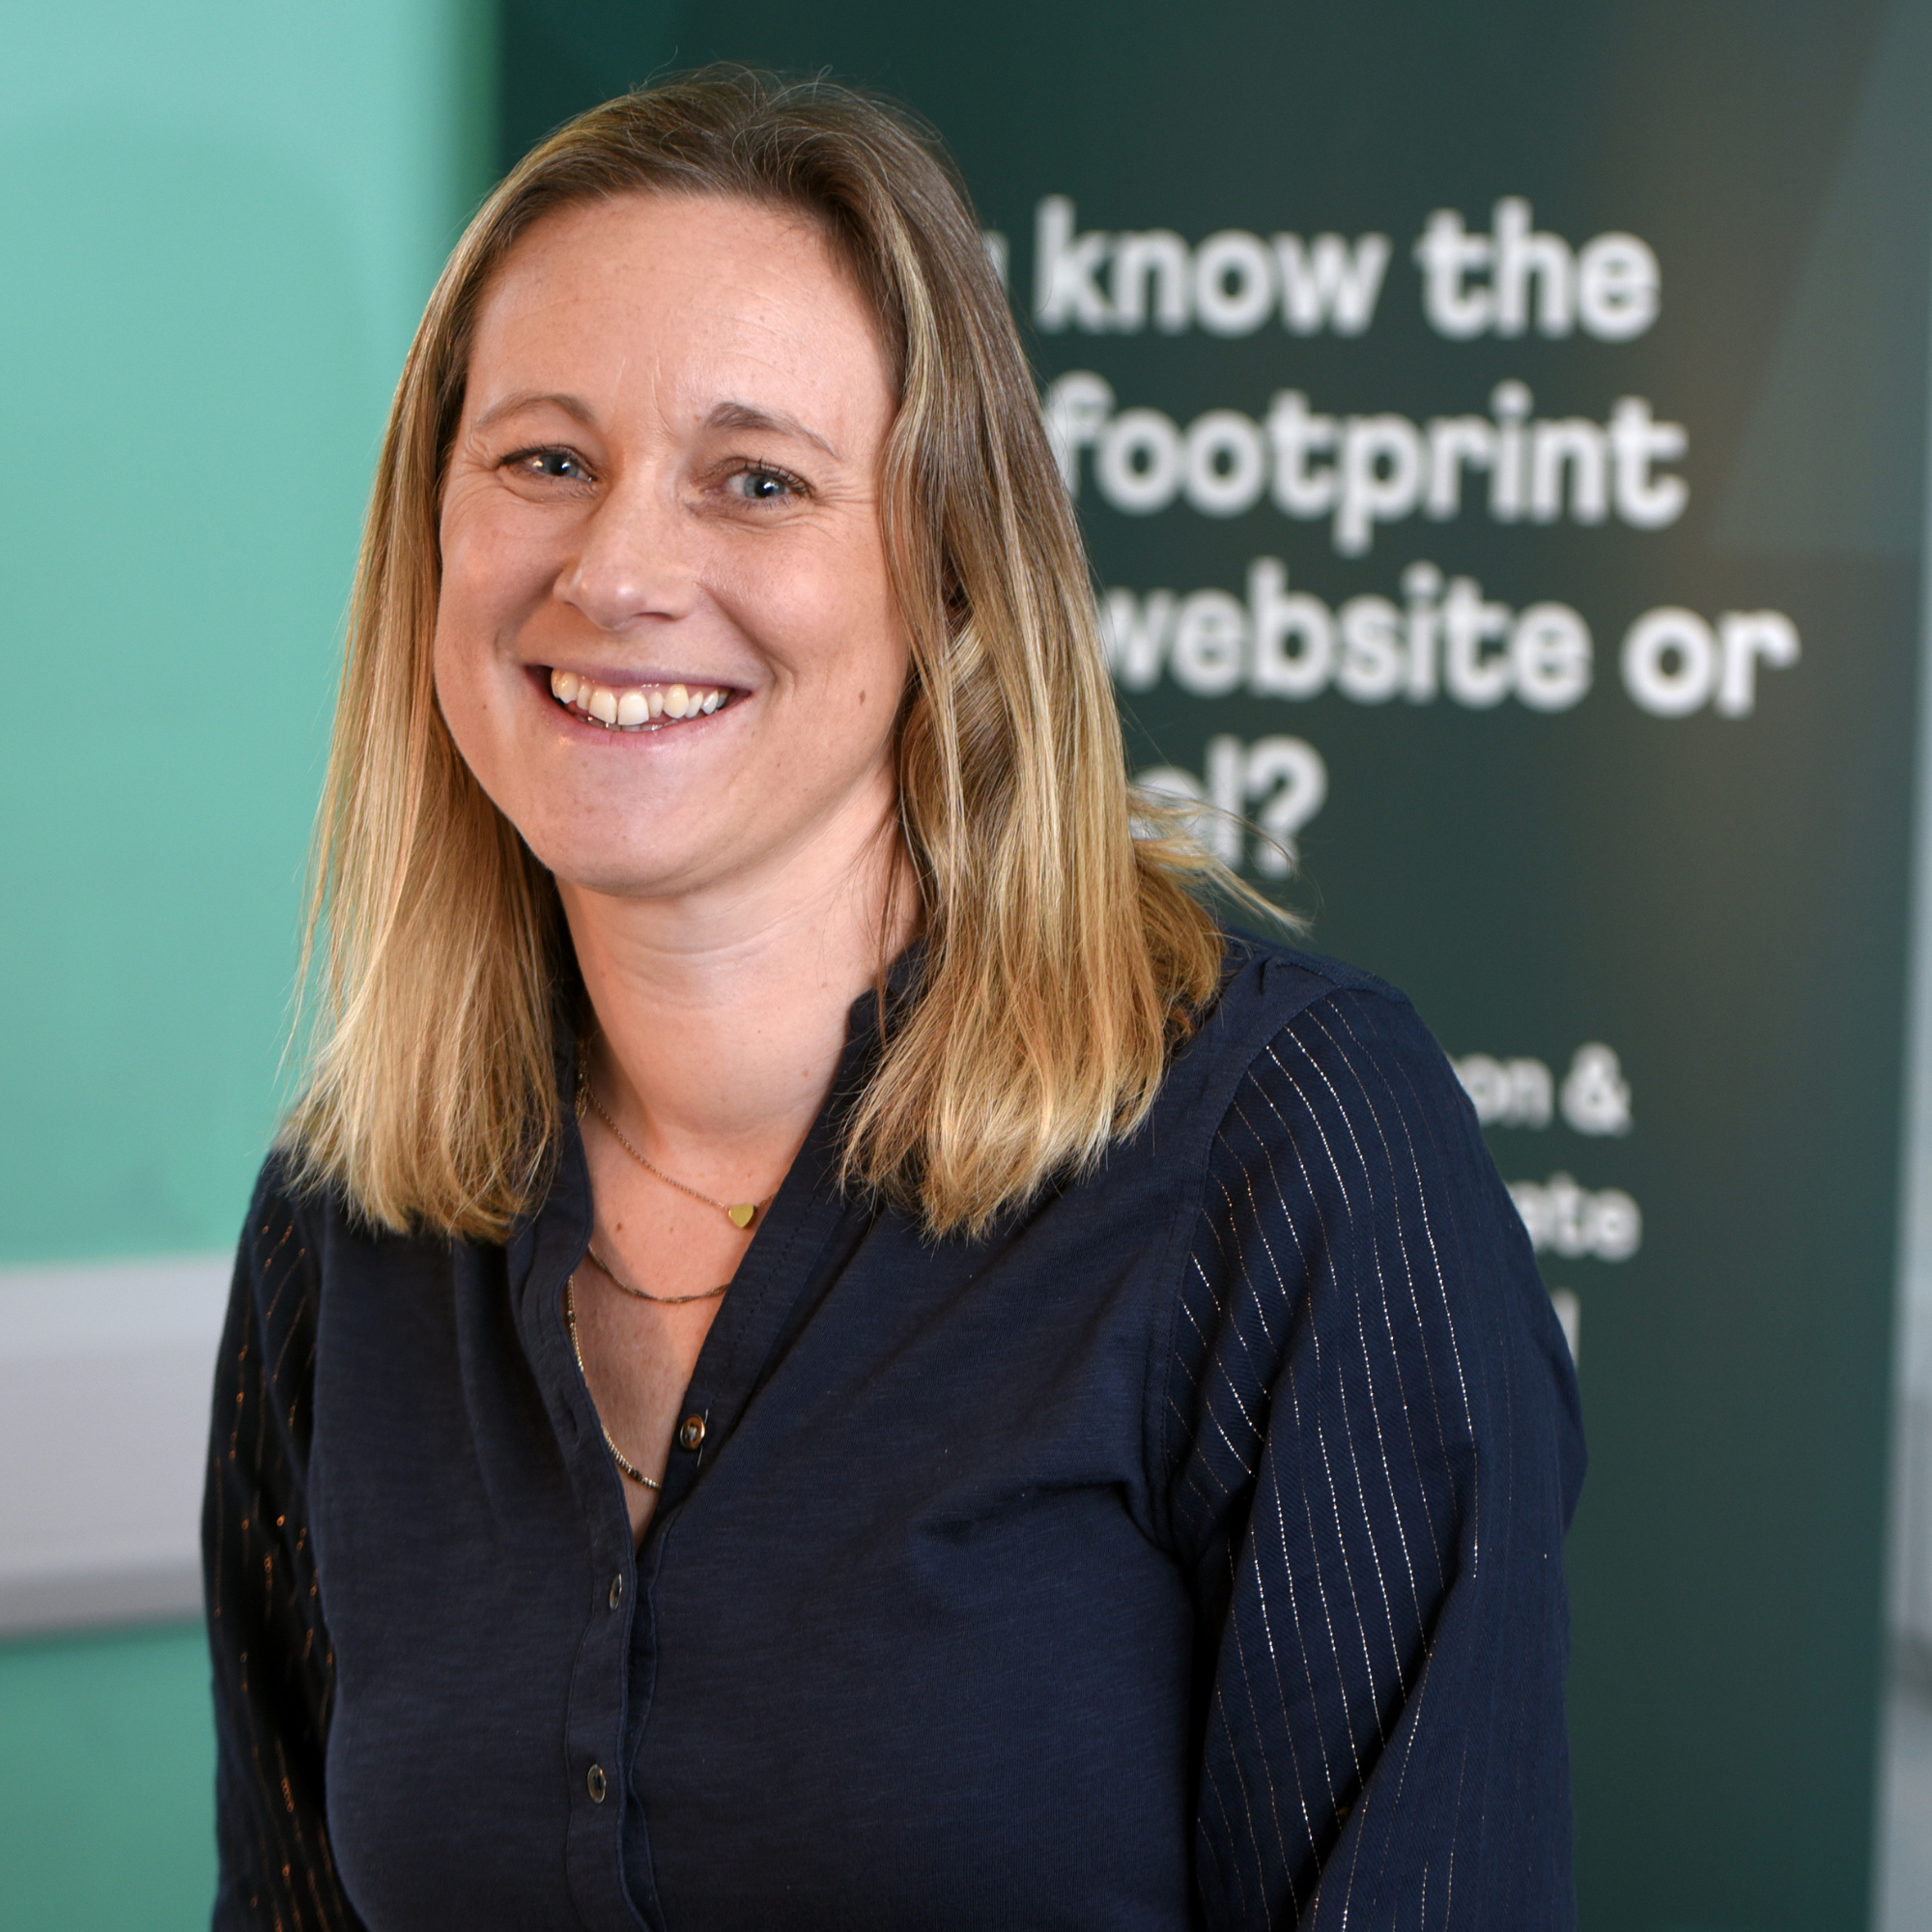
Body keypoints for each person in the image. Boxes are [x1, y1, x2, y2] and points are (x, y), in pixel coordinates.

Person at [202, 67, 1583, 1932]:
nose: (617, 571)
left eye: (756, 480)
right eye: (543, 459)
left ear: (947, 582)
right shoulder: (341, 1222)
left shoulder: (1293, 1158)